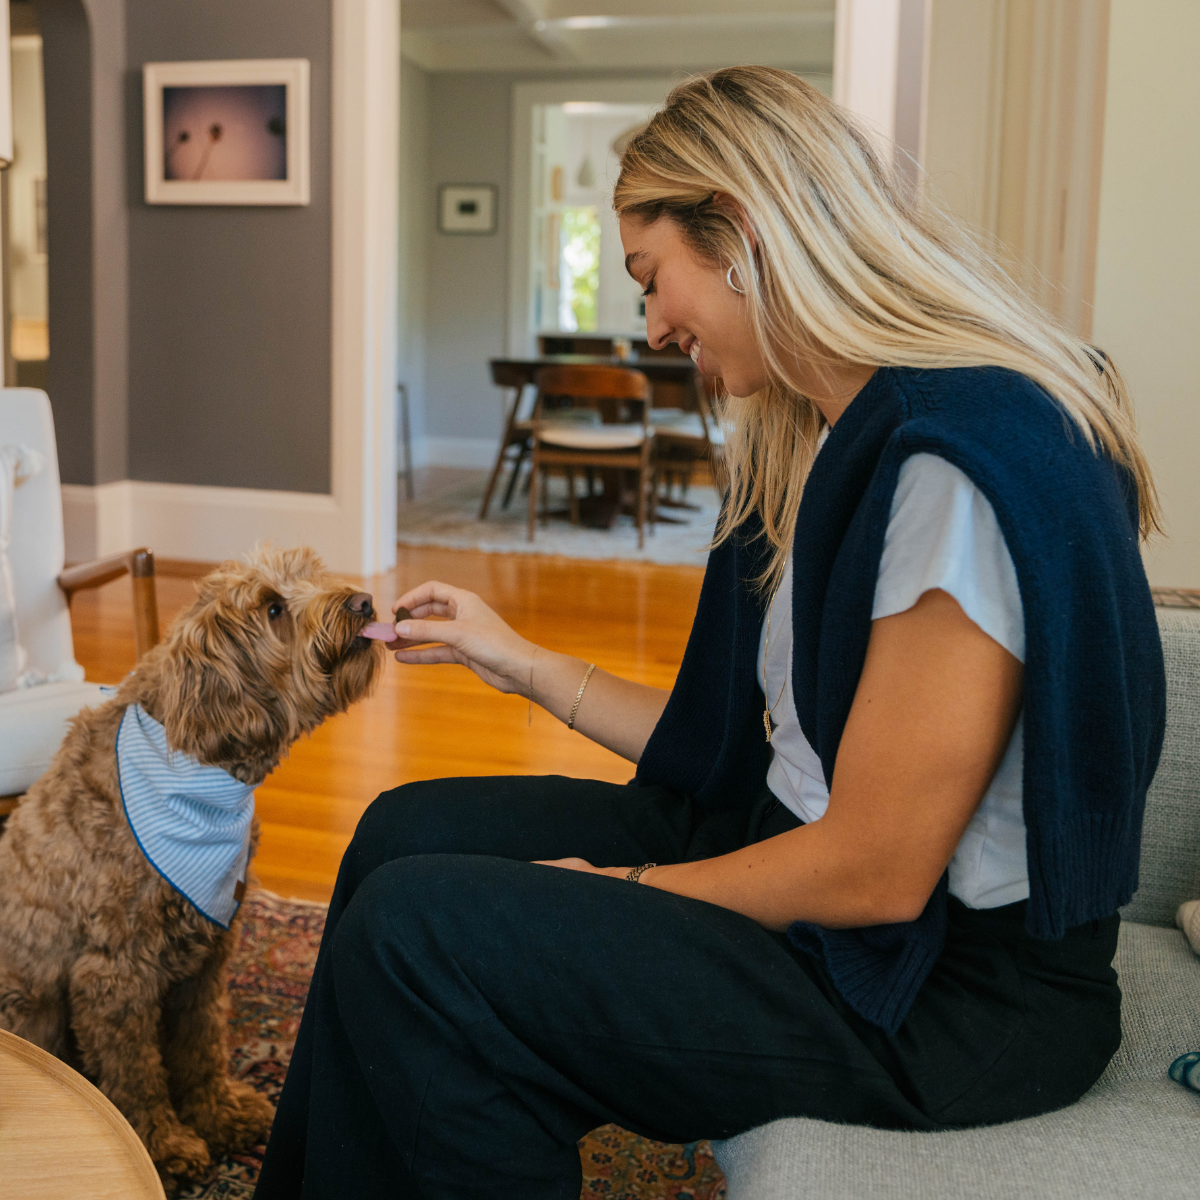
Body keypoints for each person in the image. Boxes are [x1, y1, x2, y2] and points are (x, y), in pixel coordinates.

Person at [254, 66, 1165, 1200]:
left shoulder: (954, 465)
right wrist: (517, 660)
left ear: (738, 231)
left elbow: (877, 874)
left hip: (937, 994)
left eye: (654, 279)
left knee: (419, 936)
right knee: (400, 830)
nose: (650, 325)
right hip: (807, 872)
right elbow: (737, 753)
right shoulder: (822, 434)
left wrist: (625, 887)